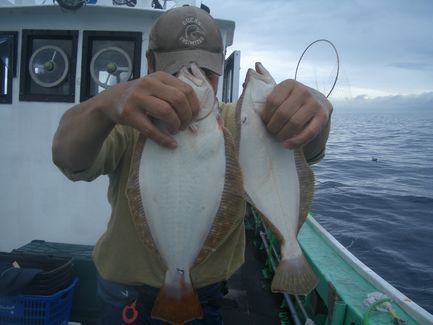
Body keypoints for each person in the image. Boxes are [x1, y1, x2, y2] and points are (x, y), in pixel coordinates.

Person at [52, 5, 332, 325]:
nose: (186, 87)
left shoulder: (238, 125)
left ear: (219, 72)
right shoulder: (126, 121)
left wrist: (317, 112)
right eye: (174, 72)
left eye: (206, 72)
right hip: (125, 297)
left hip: (207, 295)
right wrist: (104, 105)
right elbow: (67, 157)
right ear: (150, 63)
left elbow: (304, 150)